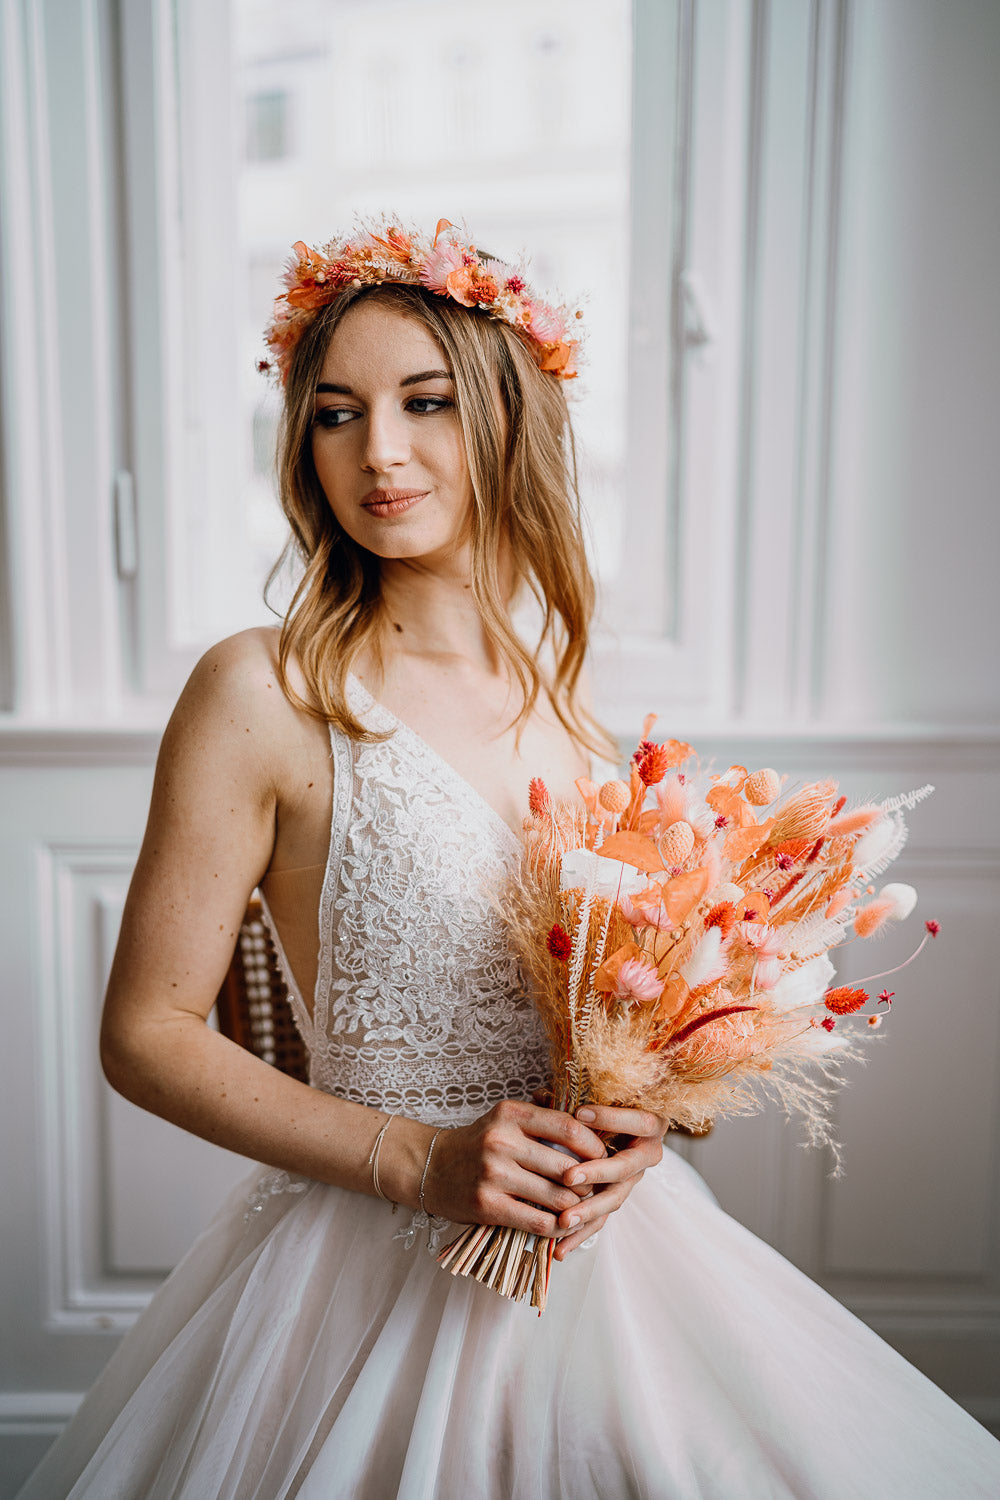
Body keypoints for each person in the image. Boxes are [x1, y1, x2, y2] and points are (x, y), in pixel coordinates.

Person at [18, 218, 1000, 1499]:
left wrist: (648, 1112)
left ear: (506, 418)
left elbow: (623, 1013)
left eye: (424, 402)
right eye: (334, 412)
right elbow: (146, 1031)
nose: (378, 451)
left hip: (609, 1267)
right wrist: (421, 1162)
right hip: (355, 1265)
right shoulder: (262, 691)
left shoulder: (581, 727)